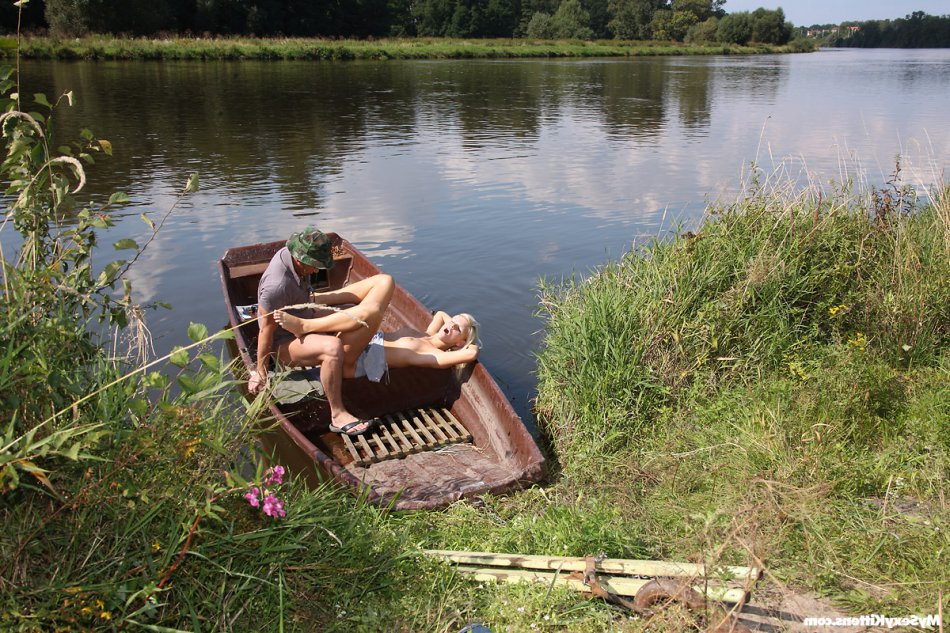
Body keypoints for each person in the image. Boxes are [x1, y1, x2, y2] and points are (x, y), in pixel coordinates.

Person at [249, 227, 376, 436]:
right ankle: (338, 415)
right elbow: (266, 331)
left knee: (356, 315)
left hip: (304, 317)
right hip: (284, 344)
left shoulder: (290, 254)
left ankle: (344, 362)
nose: (317, 272)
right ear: (300, 260)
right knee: (332, 348)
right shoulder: (277, 286)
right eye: (315, 266)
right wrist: (260, 372)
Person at [273, 274, 480, 387]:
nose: (450, 325)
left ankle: (304, 326)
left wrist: (467, 341)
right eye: (453, 321)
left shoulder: (434, 356)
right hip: (360, 344)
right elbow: (441, 314)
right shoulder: (426, 335)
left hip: (352, 362)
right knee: (385, 281)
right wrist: (454, 323)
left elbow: (471, 353)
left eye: (457, 329)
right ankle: (317, 298)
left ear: (460, 342)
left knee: (371, 312)